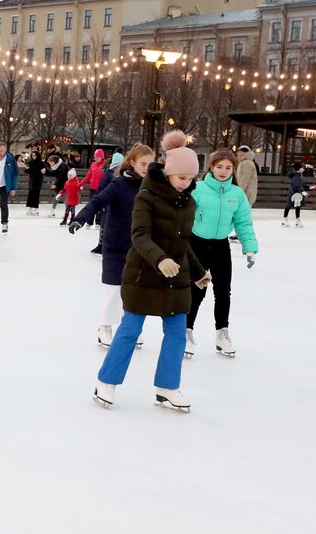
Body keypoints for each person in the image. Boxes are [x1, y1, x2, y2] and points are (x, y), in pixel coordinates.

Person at [92, 131, 210, 412]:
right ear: (169, 173)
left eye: (191, 179)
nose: (186, 184)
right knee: (130, 330)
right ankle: (106, 382)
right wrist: (159, 260)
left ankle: (167, 387)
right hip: (143, 273)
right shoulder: (146, 196)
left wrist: (198, 272)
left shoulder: (189, 202)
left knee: (177, 334)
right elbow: (140, 235)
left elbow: (183, 245)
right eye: (182, 177)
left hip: (175, 279)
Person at [71, 143, 153, 348]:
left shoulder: (152, 188)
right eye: (143, 163)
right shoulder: (118, 184)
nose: (146, 168)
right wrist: (80, 219)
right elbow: (97, 202)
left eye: (150, 164)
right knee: (113, 287)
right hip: (115, 243)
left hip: (139, 246)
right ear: (132, 162)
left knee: (134, 290)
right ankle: (105, 327)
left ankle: (130, 329)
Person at [185, 149, 259, 359]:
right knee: (196, 291)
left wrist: (250, 247)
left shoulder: (236, 194)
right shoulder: (197, 189)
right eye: (219, 167)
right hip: (197, 244)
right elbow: (183, 217)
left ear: (233, 169)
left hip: (220, 246)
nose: (223, 171)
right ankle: (186, 331)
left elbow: (244, 223)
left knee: (223, 291)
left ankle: (222, 334)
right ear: (211, 167)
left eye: (228, 167)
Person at [24, 149, 46, 216]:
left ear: (37, 155)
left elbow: (44, 170)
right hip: (32, 180)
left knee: (36, 194)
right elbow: (29, 171)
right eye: (32, 155)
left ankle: (36, 208)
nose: (33, 156)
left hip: (38, 180)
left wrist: (44, 170)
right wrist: (27, 168)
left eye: (34, 155)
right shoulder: (31, 162)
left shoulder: (41, 163)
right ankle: (30, 207)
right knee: (31, 194)